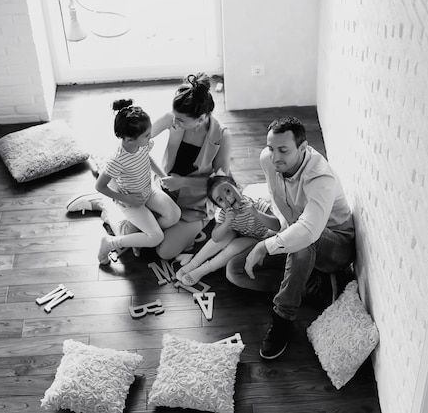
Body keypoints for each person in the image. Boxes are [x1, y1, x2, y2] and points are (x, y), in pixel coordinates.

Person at [225, 116, 356, 360]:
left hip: (335, 245)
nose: (275, 157)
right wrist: (274, 233)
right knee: (235, 270)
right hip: (297, 234)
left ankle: (283, 316)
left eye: (283, 150)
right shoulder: (269, 161)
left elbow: (308, 230)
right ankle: (314, 286)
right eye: (271, 148)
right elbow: (281, 204)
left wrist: (266, 246)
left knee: (301, 240)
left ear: (303, 148)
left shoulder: (320, 178)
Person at [66, 73, 231, 260]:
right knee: (145, 235)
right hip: (158, 190)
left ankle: (139, 237)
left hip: (195, 204)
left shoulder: (222, 135)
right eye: (174, 117)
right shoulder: (175, 117)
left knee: (164, 251)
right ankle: (105, 205)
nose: (174, 122)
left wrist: (183, 182)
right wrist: (119, 185)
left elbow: (222, 183)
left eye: (180, 121)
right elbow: (137, 139)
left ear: (200, 119)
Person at [95, 99, 181, 264]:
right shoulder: (117, 160)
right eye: (147, 135)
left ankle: (139, 238)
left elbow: (147, 158)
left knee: (174, 215)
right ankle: (110, 242)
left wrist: (163, 176)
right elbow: (99, 186)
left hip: (149, 191)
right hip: (131, 201)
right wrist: (127, 199)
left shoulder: (143, 145)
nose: (150, 137)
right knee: (156, 237)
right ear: (128, 140)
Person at [175, 173, 280, 286]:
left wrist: (256, 212)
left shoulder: (256, 204)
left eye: (228, 191)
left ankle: (202, 270)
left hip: (257, 239)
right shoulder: (224, 213)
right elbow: (215, 238)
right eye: (220, 199)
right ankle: (193, 263)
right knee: (224, 234)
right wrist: (226, 223)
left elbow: (277, 226)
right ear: (218, 206)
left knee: (234, 246)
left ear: (238, 187)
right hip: (238, 233)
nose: (228, 198)